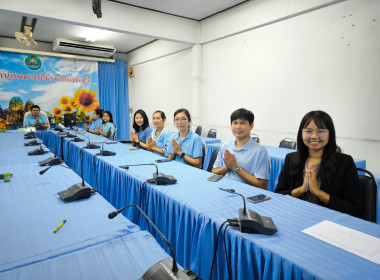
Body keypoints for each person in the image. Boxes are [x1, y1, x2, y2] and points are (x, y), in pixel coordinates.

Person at [274, 110, 361, 217]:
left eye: (321, 131)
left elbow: (354, 209)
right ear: (301, 134)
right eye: (308, 131)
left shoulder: (345, 163)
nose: (314, 136)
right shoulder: (291, 159)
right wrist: (301, 190)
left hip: (329, 221)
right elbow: (278, 195)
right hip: (295, 216)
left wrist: (318, 192)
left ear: (330, 134)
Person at [212, 108, 270, 189]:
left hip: (245, 194)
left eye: (243, 123)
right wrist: (227, 167)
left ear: (251, 125)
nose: (238, 127)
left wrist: (235, 167)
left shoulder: (260, 151)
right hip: (223, 188)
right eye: (235, 123)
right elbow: (214, 172)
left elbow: (262, 185)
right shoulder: (226, 146)